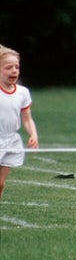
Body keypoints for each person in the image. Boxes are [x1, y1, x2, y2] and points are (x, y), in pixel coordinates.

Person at [0, 46, 39, 200]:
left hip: (10, 141)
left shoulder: (22, 92)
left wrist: (33, 135)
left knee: (1, 183)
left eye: (17, 67)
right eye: (8, 67)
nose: (14, 71)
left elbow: (27, 118)